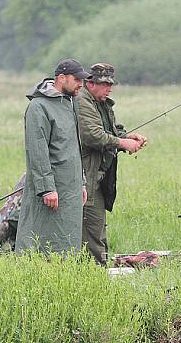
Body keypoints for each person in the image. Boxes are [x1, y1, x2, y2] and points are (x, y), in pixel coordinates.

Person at [15, 59, 90, 254]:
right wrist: (47, 189)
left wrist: (81, 182)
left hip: (71, 186)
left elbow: (74, 147)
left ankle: (64, 277)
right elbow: (37, 151)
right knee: (42, 241)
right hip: (51, 187)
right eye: (77, 79)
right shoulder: (38, 107)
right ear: (61, 78)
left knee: (68, 243)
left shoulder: (70, 103)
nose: (81, 85)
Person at [77, 63, 147, 265]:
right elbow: (93, 136)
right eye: (104, 84)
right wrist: (123, 143)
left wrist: (127, 137)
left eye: (110, 84)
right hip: (85, 175)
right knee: (92, 229)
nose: (109, 88)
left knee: (97, 228)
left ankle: (96, 270)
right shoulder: (82, 102)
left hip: (98, 175)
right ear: (90, 83)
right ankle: (94, 274)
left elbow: (109, 131)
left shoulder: (101, 102)